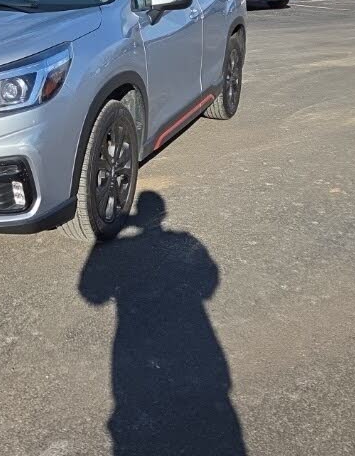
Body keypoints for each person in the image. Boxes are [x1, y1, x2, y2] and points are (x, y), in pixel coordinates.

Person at [78, 191, 248, 456]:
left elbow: (91, 292)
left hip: (133, 339)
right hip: (193, 339)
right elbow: (208, 283)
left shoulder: (121, 249)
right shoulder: (185, 242)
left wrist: (104, 239)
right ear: (163, 215)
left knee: (135, 407)